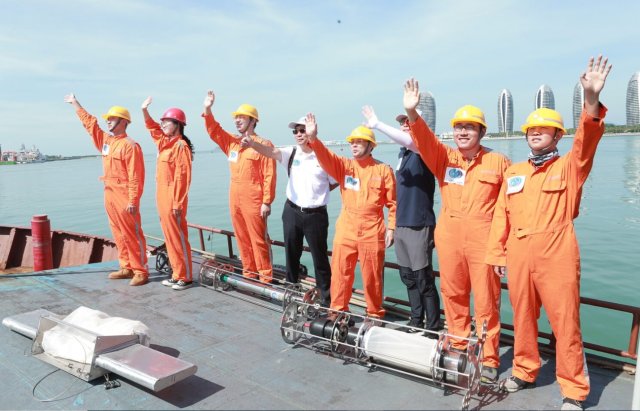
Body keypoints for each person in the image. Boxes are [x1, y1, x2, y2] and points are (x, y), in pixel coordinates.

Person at [486, 56, 612, 411]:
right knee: (523, 316)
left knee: (565, 321)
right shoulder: (515, 171)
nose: (535, 132)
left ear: (558, 134)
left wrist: (590, 97)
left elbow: (587, 137)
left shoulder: (570, 167)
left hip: (557, 252)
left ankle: (573, 389)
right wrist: (497, 253)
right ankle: (525, 370)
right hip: (519, 252)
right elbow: (501, 214)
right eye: (530, 129)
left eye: (543, 129)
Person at [403, 80, 510, 383]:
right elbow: (424, 141)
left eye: (470, 127)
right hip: (450, 239)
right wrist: (412, 113)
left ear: (482, 132)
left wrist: (502, 249)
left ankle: (489, 357)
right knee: (453, 294)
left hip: (484, 240)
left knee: (487, 301)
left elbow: (508, 210)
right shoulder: (445, 158)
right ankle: (460, 345)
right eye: (459, 127)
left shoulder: (499, 163)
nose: (463, 132)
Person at [305, 113, 396, 319]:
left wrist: (392, 228)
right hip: (347, 227)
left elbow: (393, 203)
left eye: (359, 142)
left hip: (372, 228)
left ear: (371, 146)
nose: (354, 146)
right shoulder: (345, 167)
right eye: (352, 142)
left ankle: (374, 313)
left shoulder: (383, 171)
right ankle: (337, 310)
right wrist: (313, 138)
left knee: (372, 276)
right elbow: (325, 157)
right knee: (340, 272)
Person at [240, 116, 336, 306]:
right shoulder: (291, 153)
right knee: (291, 254)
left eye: (303, 130)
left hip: (316, 215)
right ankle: (291, 293)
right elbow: (270, 151)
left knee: (320, 258)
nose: (299, 134)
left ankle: (326, 300)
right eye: (296, 131)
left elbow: (334, 181)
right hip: (292, 211)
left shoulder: (324, 157)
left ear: (311, 132)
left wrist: (317, 195)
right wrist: (252, 143)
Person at [362, 106, 440, 334]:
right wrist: (392, 226)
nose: (405, 124)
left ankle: (433, 327)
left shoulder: (424, 148)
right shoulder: (403, 154)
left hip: (419, 223)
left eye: (409, 121)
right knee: (408, 276)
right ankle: (416, 321)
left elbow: (412, 141)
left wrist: (377, 124)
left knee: (423, 279)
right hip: (403, 224)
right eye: (402, 122)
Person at [64, 93, 149, 286]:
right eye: (108, 119)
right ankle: (126, 267)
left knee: (132, 233)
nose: (108, 122)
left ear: (123, 121)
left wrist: (133, 200)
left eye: (111, 118)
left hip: (124, 194)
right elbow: (90, 125)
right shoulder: (107, 142)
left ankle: (140, 271)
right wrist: (76, 104)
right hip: (109, 192)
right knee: (118, 232)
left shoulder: (131, 146)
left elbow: (136, 176)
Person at [203, 91, 276, 283]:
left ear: (253, 121)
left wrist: (267, 201)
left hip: (254, 198)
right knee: (242, 236)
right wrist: (208, 109)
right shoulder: (233, 143)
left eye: (241, 117)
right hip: (234, 196)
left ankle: (265, 277)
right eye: (236, 118)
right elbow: (214, 131)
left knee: (258, 238)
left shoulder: (263, 145)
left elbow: (269, 174)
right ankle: (249, 273)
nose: (237, 121)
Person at [141, 97, 194, 291]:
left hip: (173, 199)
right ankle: (177, 273)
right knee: (170, 238)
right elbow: (152, 127)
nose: (162, 124)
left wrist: (178, 202)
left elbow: (183, 177)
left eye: (166, 121)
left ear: (178, 124)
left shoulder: (180, 147)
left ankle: (186, 276)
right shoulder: (165, 144)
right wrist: (144, 111)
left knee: (178, 237)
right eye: (162, 121)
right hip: (162, 197)